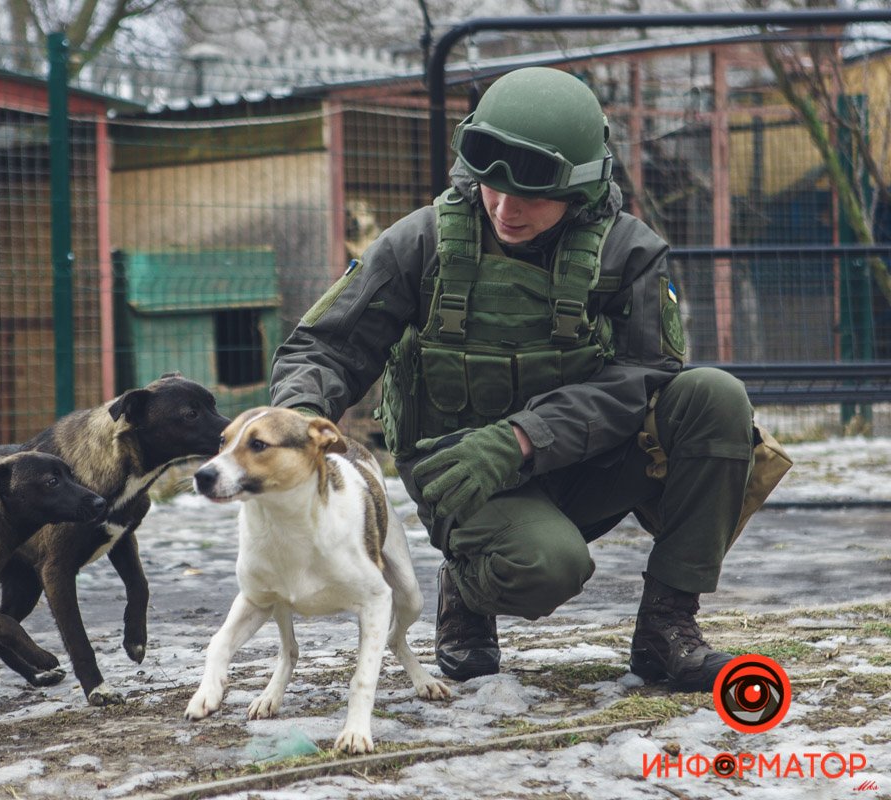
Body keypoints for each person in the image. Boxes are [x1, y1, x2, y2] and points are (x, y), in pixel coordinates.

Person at [268, 66, 760, 692]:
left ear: (580, 187)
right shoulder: (421, 243)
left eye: (530, 193)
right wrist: (295, 425)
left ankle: (669, 627)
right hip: (467, 480)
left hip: (584, 466)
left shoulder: (628, 253)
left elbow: (647, 375)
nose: (505, 207)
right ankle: (467, 591)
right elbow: (325, 346)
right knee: (547, 568)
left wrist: (522, 437)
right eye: (490, 187)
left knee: (715, 397)